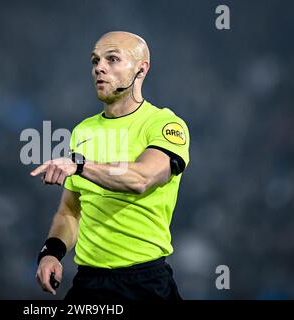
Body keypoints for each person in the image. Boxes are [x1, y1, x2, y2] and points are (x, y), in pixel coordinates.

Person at [30, 31, 190, 300]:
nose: (99, 68)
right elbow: (70, 209)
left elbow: (142, 178)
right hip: (89, 283)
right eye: (95, 61)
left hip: (144, 283)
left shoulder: (164, 124)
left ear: (141, 70)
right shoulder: (83, 131)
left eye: (112, 59)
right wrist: (51, 253)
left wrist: (80, 166)